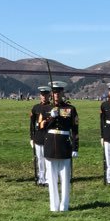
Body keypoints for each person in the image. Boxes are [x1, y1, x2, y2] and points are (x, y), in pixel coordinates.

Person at [42, 81, 79, 212]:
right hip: (50, 143)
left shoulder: (70, 109)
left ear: (63, 93)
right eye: (54, 92)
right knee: (51, 178)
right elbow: (40, 127)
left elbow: (75, 129)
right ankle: (54, 205)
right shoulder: (46, 108)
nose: (56, 95)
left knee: (65, 177)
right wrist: (51, 117)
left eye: (58, 92)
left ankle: (64, 205)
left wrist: (75, 147)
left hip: (64, 144)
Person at [30, 85, 52, 186]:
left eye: (46, 95)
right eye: (42, 95)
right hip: (38, 136)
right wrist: (31, 137)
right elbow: (32, 124)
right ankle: (41, 177)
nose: (44, 97)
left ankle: (48, 178)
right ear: (40, 96)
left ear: (49, 95)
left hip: (48, 136)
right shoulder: (35, 108)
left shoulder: (52, 108)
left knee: (48, 158)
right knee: (39, 159)